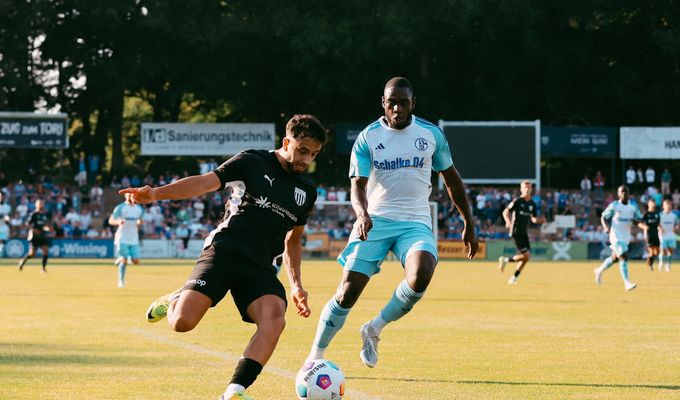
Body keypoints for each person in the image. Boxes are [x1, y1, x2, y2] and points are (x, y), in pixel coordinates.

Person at [122, 114, 327, 400]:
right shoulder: (252, 161)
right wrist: (156, 194)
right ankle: (176, 298)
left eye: (314, 154)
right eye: (302, 150)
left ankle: (235, 391)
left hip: (260, 266)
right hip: (224, 251)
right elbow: (204, 183)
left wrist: (296, 285)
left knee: (274, 319)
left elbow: (293, 238)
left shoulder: (307, 190)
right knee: (182, 322)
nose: (307, 160)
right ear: (286, 142)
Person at [305, 77, 477, 369]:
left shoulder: (431, 134)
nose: (397, 108)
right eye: (392, 102)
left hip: (415, 222)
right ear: (383, 103)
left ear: (413, 104)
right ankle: (314, 357)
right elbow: (357, 186)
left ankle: (374, 328)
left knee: (421, 274)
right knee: (347, 292)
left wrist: (469, 222)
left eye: (403, 102)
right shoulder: (368, 137)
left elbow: (452, 179)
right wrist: (362, 214)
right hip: (376, 220)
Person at [593, 185, 641, 291]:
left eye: (625, 191)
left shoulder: (633, 206)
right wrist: (606, 226)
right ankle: (627, 283)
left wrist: (638, 222)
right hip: (615, 236)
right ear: (618, 194)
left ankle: (599, 270)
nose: (623, 193)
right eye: (621, 191)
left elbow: (638, 219)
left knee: (614, 258)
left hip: (625, 236)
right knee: (624, 256)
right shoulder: (614, 205)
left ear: (629, 194)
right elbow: (603, 216)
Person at [498, 180, 546, 284]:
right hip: (516, 231)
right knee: (527, 256)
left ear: (531, 189)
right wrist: (508, 221)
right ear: (521, 189)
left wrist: (539, 220)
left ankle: (514, 277)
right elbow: (505, 211)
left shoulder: (532, 204)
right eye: (525, 187)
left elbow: (533, 219)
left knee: (526, 258)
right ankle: (506, 261)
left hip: (524, 232)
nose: (527, 189)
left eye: (529, 187)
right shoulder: (517, 201)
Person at [108, 193, 145, 288]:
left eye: (132, 196)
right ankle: (121, 281)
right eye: (129, 196)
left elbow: (141, 220)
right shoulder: (120, 207)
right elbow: (111, 220)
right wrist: (118, 222)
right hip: (122, 237)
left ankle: (119, 259)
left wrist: (139, 222)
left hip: (133, 238)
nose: (131, 198)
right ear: (126, 197)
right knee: (124, 260)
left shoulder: (139, 209)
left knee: (136, 261)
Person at [17, 199, 51, 272]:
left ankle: (43, 268)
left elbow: (43, 226)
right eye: (39, 204)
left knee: (46, 250)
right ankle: (22, 262)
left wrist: (47, 228)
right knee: (32, 253)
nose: (41, 205)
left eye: (42, 203)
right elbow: (27, 224)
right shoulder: (33, 214)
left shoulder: (43, 215)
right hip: (34, 236)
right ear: (36, 205)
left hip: (42, 235)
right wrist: (33, 229)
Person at [638, 198, 660, 271]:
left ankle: (648, 260)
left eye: (654, 203)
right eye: (651, 203)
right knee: (651, 251)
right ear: (648, 204)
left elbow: (659, 224)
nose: (653, 204)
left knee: (657, 252)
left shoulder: (657, 214)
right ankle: (651, 266)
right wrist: (644, 227)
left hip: (656, 234)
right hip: (648, 235)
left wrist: (660, 228)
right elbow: (639, 223)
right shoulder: (646, 214)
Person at [658, 198, 678, 272]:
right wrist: (660, 228)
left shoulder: (674, 216)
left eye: (669, 205)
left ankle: (668, 265)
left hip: (671, 236)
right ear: (663, 206)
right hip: (663, 236)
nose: (668, 207)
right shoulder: (660, 215)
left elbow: (677, 224)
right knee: (663, 251)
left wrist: (676, 228)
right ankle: (661, 263)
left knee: (670, 251)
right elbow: (657, 224)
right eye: (666, 205)